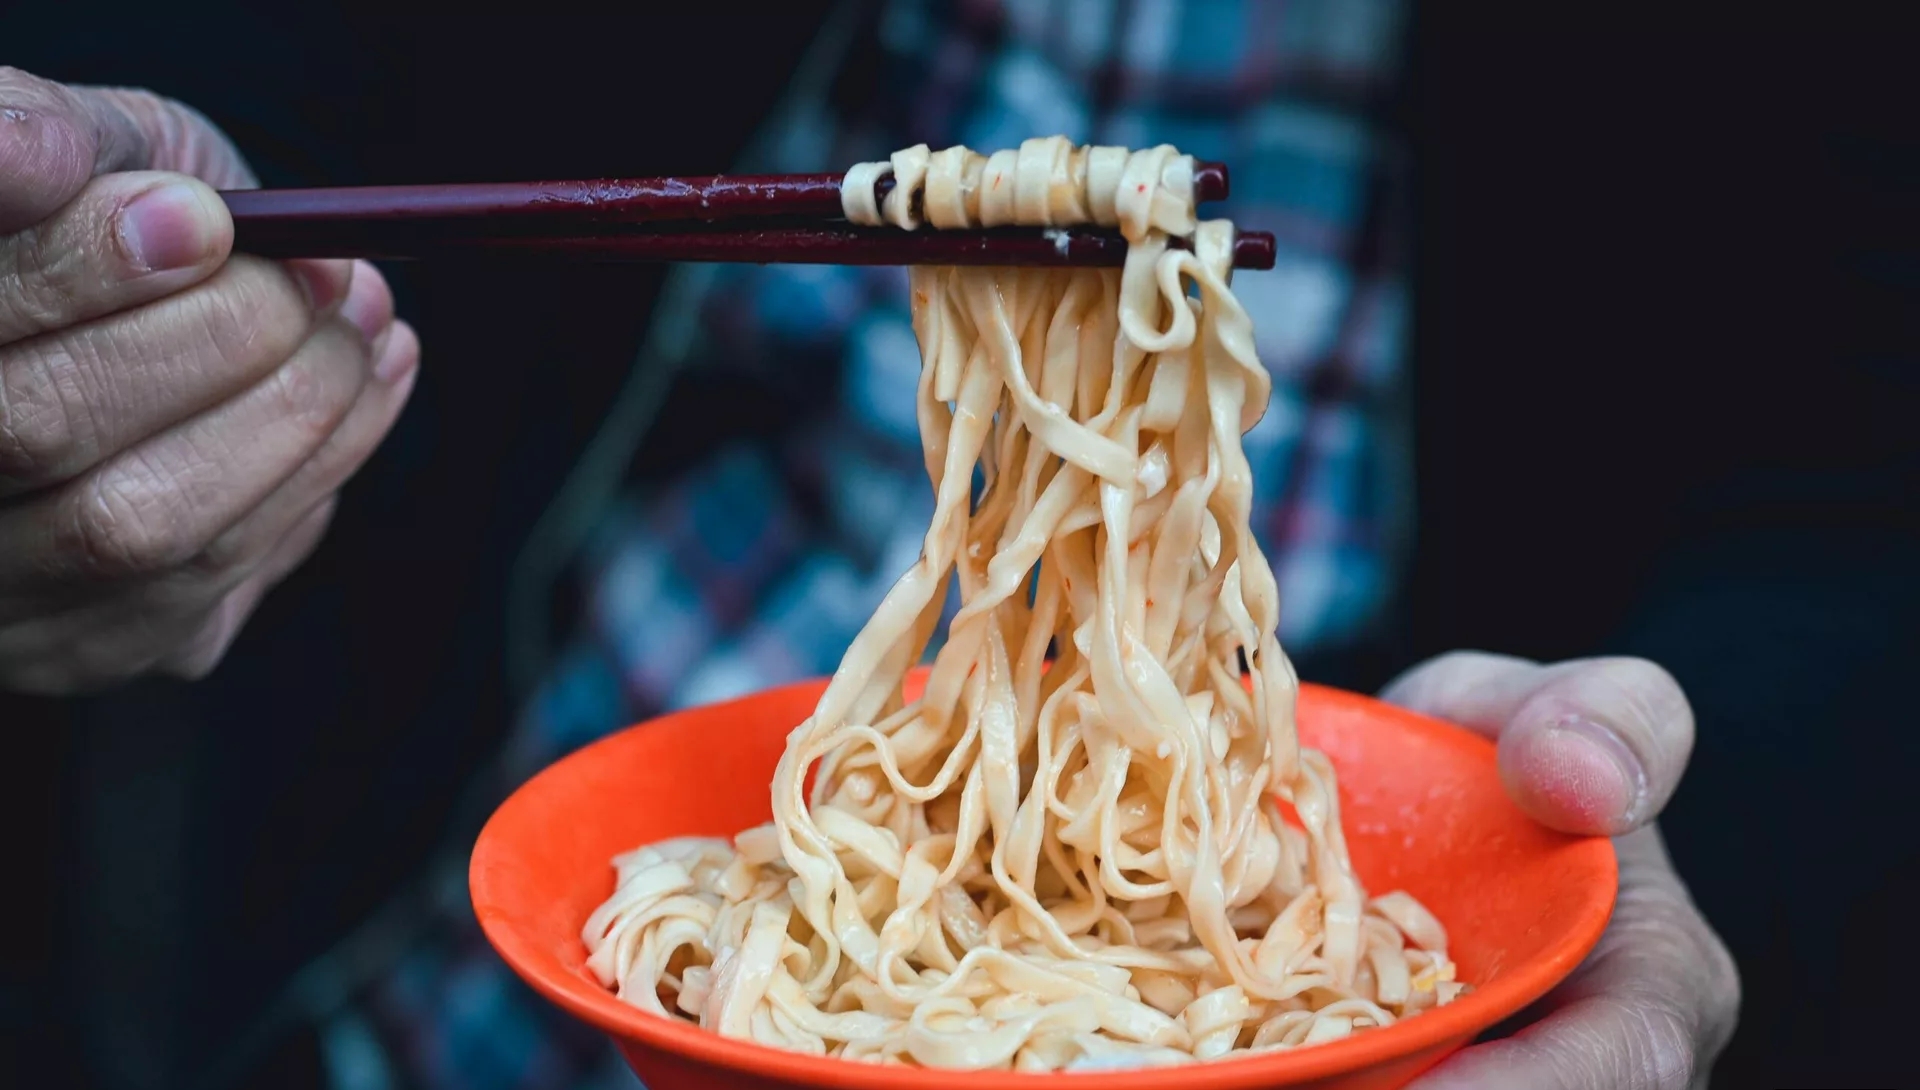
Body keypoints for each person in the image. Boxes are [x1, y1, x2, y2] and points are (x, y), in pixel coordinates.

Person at [3, 2, 1910, 1087]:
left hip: (1278, 935)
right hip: (434, 948)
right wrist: (127, 353)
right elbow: (254, 87)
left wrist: (1661, 828)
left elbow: (1852, 482)